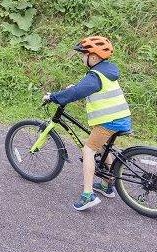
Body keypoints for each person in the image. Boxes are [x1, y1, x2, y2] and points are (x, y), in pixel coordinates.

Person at [45, 36, 131, 211]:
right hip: (121, 117)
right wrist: (74, 89)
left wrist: (53, 96)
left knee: (89, 150)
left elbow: (81, 90)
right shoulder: (106, 70)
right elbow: (87, 88)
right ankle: (108, 185)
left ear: (93, 57)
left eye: (83, 54)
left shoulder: (95, 75)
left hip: (110, 121)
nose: (82, 58)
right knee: (103, 146)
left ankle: (87, 195)